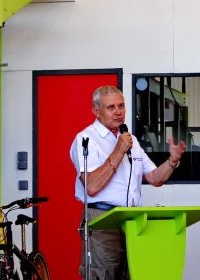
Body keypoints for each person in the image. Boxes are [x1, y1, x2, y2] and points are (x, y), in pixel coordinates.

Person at [69, 85, 186, 280]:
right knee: (104, 274)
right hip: (102, 218)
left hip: (133, 220)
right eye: (111, 107)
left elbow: (155, 178)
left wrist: (172, 161)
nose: (118, 112)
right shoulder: (86, 139)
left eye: (121, 106)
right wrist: (119, 150)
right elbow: (92, 186)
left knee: (134, 273)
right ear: (96, 111)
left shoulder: (130, 140)